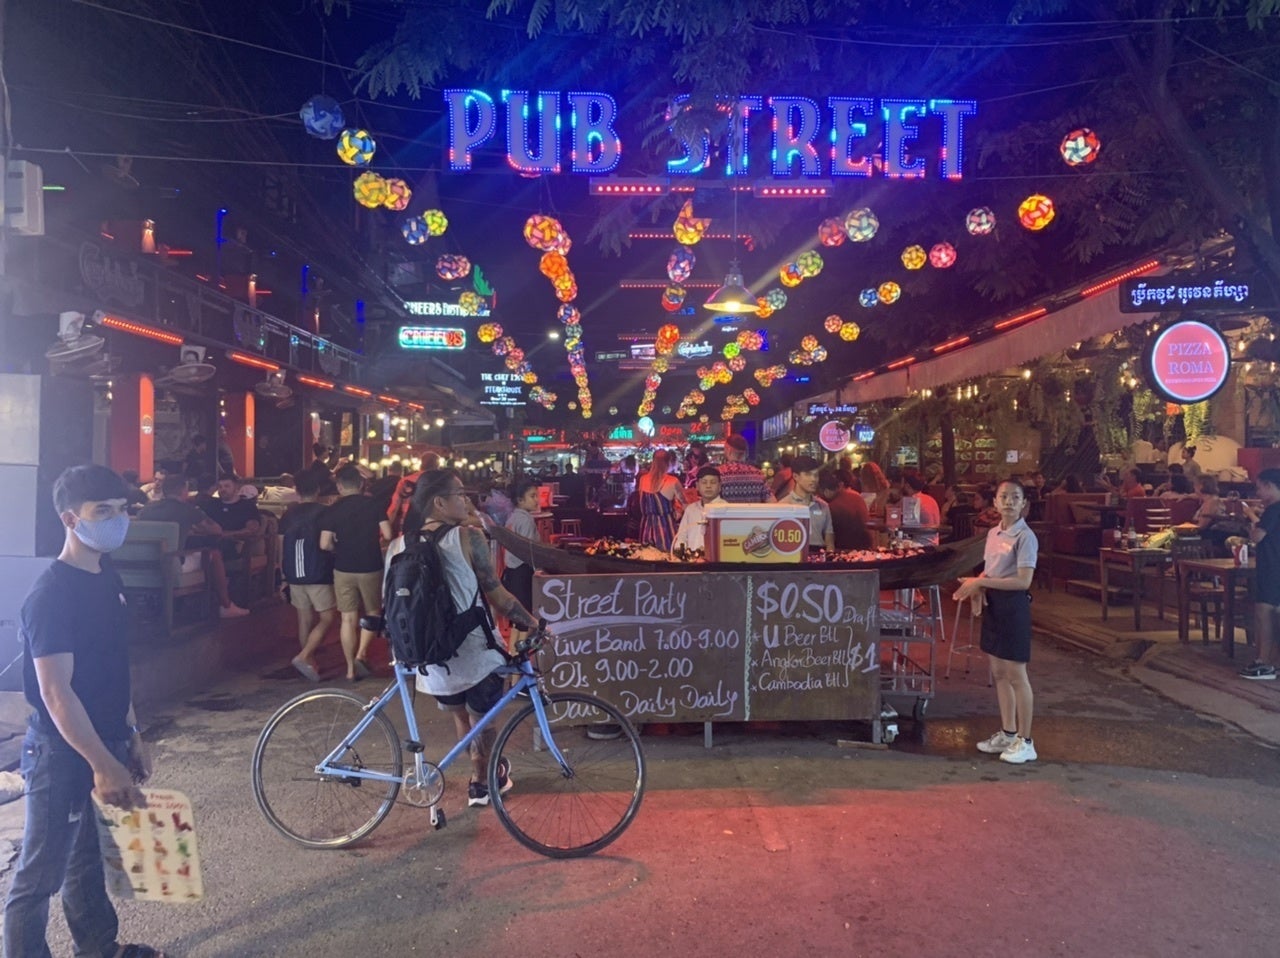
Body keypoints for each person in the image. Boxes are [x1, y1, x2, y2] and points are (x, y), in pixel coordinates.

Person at [4, 464, 169, 958]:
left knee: (89, 859)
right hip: (62, 751)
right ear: (71, 519)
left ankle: (99, 948)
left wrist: (131, 733)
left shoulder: (106, 578)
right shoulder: (51, 595)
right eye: (103, 511)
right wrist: (102, 763)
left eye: (122, 510)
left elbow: (115, 665)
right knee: (40, 875)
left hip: (108, 737)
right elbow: (57, 693)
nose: (117, 521)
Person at [394, 469, 540, 806]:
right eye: (460, 495)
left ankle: (484, 772)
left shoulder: (400, 545)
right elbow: (498, 595)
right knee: (484, 722)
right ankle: (481, 781)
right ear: (439, 502)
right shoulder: (469, 538)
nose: (467, 501)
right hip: (475, 652)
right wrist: (533, 623)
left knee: (462, 717)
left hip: (431, 659)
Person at [953, 479, 1038, 764]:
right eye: (1004, 497)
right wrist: (977, 587)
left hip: (1013, 607)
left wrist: (980, 583)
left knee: (1017, 675)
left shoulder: (1026, 537)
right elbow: (990, 572)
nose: (1009, 502)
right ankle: (1008, 732)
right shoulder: (992, 533)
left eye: (1015, 497)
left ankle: (1026, 741)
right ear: (995, 503)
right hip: (994, 605)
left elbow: (1023, 581)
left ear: (1024, 504)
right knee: (999, 673)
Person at [138, 473, 249, 618]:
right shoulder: (187, 510)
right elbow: (217, 530)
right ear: (184, 490)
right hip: (171, 565)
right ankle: (225, 605)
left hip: (143, 565)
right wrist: (195, 528)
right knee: (213, 553)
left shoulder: (146, 509)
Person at [320, 464, 392, 681]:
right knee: (372, 612)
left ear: (340, 487)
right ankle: (361, 654)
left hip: (343, 567)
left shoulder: (333, 509)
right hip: (370, 565)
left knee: (347, 618)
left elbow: (324, 544)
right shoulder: (374, 504)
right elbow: (388, 534)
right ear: (361, 484)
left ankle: (350, 669)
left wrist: (337, 547)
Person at [279, 471, 337, 681]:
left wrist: (283, 575)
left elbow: (280, 545)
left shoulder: (288, 514)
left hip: (293, 571)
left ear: (296, 490)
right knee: (327, 617)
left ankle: (310, 663)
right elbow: (328, 543)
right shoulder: (325, 512)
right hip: (318, 569)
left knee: (304, 618)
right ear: (318, 490)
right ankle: (304, 656)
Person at [1239, 468, 1280, 680]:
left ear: (1269, 486)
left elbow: (1257, 536)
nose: (1258, 492)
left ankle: (1264, 662)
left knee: (1264, 613)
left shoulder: (1274, 509)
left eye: (1259, 487)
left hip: (1272, 567)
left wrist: (1250, 515)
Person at [501, 478, 542, 648]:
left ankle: (512, 657)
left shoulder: (513, 517)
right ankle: (520, 658)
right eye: (532, 496)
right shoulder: (525, 520)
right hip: (523, 573)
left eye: (537, 495)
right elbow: (529, 551)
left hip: (512, 572)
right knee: (525, 620)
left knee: (518, 622)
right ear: (520, 500)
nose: (537, 500)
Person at [636, 450, 683, 550]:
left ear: (653, 461)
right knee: (667, 556)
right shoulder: (673, 481)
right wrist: (677, 513)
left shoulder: (643, 479)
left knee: (646, 556)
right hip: (666, 528)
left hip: (646, 527)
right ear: (668, 462)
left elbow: (642, 505)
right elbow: (685, 503)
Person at [672, 465, 726, 553]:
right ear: (697, 486)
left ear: (719, 486)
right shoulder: (691, 509)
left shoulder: (726, 510)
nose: (708, 486)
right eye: (704, 482)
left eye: (713, 482)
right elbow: (681, 537)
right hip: (691, 559)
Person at [785, 456, 834, 552]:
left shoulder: (823, 506)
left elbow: (829, 541)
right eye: (808, 474)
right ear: (795, 476)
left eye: (816, 475)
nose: (813, 479)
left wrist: (829, 556)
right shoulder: (783, 506)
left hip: (819, 555)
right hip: (794, 556)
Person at [817, 469, 872, 550]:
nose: (820, 497)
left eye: (820, 493)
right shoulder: (856, 496)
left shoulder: (833, 507)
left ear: (826, 491)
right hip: (865, 545)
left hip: (845, 548)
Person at [716, 434, 774, 503]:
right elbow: (772, 502)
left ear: (729, 450)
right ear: (745, 453)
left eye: (724, 448)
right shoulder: (758, 474)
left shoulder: (718, 473)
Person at [901, 473, 942, 546]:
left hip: (919, 544)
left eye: (902, 483)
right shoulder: (930, 499)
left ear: (907, 486)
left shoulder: (912, 501)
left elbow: (908, 530)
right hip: (934, 543)